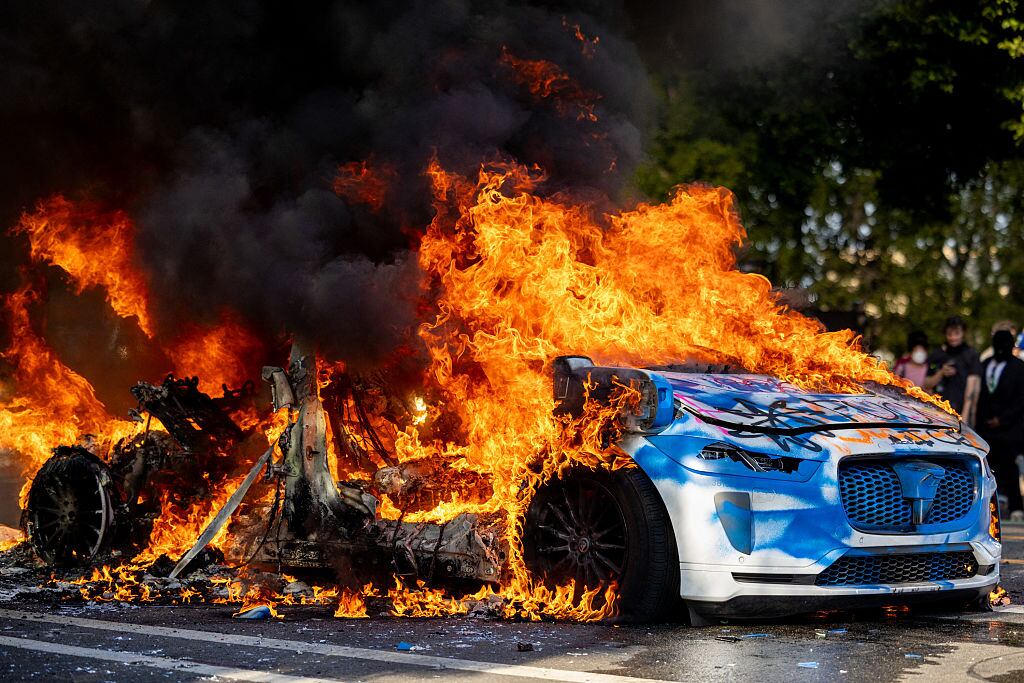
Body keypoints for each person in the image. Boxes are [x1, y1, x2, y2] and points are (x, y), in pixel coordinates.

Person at [977, 329, 1024, 519]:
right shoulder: (985, 364)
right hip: (986, 427)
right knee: (987, 468)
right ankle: (987, 508)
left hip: (1009, 428)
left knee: (1010, 468)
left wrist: (1002, 420)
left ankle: (1016, 508)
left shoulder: (1019, 367)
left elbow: (1021, 400)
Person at [924, 316, 982, 426]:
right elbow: (926, 384)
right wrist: (941, 373)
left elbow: (972, 389)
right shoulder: (937, 354)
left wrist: (964, 417)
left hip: (961, 413)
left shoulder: (971, 355)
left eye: (957, 333)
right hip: (937, 413)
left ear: (963, 333)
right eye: (949, 334)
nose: (953, 337)